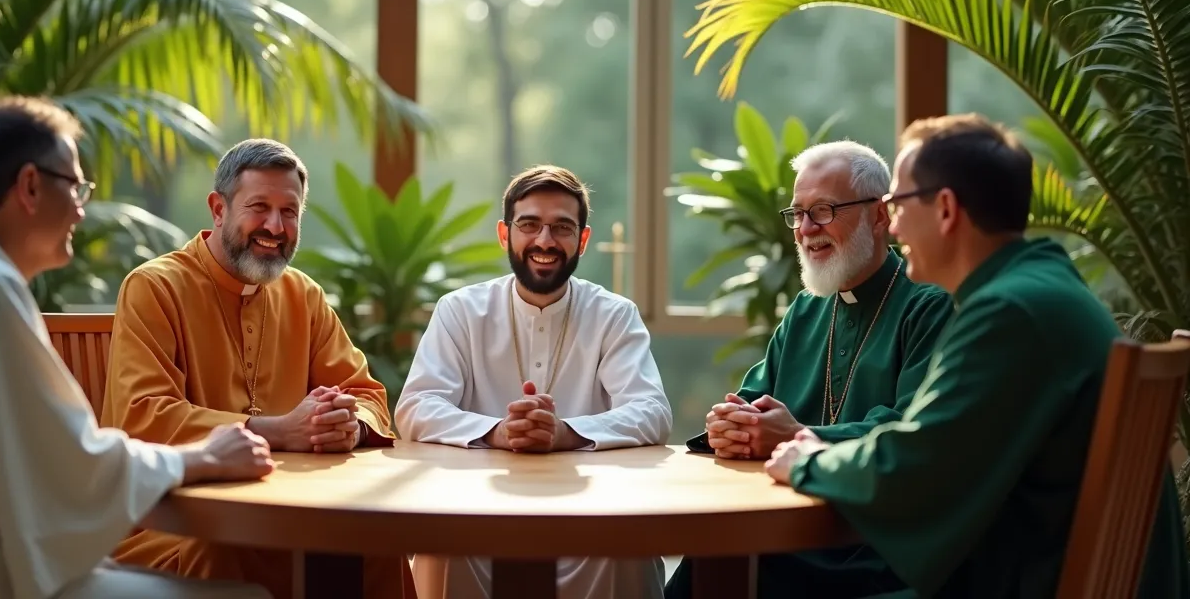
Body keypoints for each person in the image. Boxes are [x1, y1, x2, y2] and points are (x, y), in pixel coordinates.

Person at [764, 113, 1190, 598]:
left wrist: (809, 461)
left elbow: (917, 464)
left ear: (945, 209)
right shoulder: (1041, 286)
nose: (894, 226)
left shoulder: (1009, 312)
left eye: (899, 204)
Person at [0, 96, 276, 598]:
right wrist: (200, 457)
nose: (82, 210)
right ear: (29, 186)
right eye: (74, 186)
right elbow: (73, 467)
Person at [99, 138, 409, 599]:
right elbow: (143, 416)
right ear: (218, 209)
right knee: (229, 551)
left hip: (292, 512)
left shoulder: (302, 294)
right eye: (258, 207)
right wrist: (279, 430)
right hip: (170, 521)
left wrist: (347, 425)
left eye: (290, 212)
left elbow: (365, 395)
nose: (275, 226)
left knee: (377, 546)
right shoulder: (154, 287)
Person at [664, 141, 953, 599]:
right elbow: (754, 401)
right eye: (797, 213)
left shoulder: (927, 306)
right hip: (786, 529)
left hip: (867, 546)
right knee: (709, 561)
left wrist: (797, 435)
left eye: (822, 211)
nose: (805, 229)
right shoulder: (806, 309)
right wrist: (729, 425)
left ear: (879, 216)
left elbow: (914, 433)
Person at [395, 165, 673, 599]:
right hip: (475, 511)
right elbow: (415, 406)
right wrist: (497, 432)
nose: (545, 241)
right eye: (530, 225)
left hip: (591, 515)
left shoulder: (613, 315)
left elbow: (652, 411)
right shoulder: (461, 311)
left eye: (562, 227)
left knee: (627, 553)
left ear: (582, 239)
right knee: (442, 550)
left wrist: (567, 433)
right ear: (505, 235)